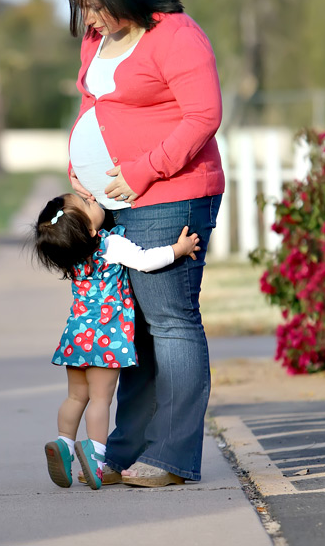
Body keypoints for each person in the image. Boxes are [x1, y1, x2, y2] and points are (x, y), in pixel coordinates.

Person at [62, 0, 225, 487]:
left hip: (172, 192)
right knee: (136, 332)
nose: (91, 18)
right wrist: (76, 161)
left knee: (171, 322)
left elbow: (203, 115)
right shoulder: (95, 39)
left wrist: (141, 170)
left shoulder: (175, 35)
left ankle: (174, 458)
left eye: (96, 4)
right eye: (83, 7)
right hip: (115, 202)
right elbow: (93, 103)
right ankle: (122, 455)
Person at [33, 192, 200, 490]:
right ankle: (95, 457)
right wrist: (179, 248)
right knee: (100, 399)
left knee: (75, 397)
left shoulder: (70, 256)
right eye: (86, 204)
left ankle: (64, 442)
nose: (92, 199)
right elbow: (146, 261)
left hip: (76, 338)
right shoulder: (111, 245)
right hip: (105, 340)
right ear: (90, 231)